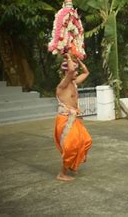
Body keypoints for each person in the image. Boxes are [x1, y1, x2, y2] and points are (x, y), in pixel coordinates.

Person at [54, 53, 92, 181]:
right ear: (67, 71)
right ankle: (61, 173)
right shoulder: (61, 86)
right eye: (75, 70)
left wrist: (79, 62)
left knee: (86, 141)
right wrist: (68, 58)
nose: (76, 72)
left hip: (74, 119)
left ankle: (71, 165)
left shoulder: (74, 83)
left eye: (76, 70)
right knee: (71, 147)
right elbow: (70, 70)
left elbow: (86, 72)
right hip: (65, 120)